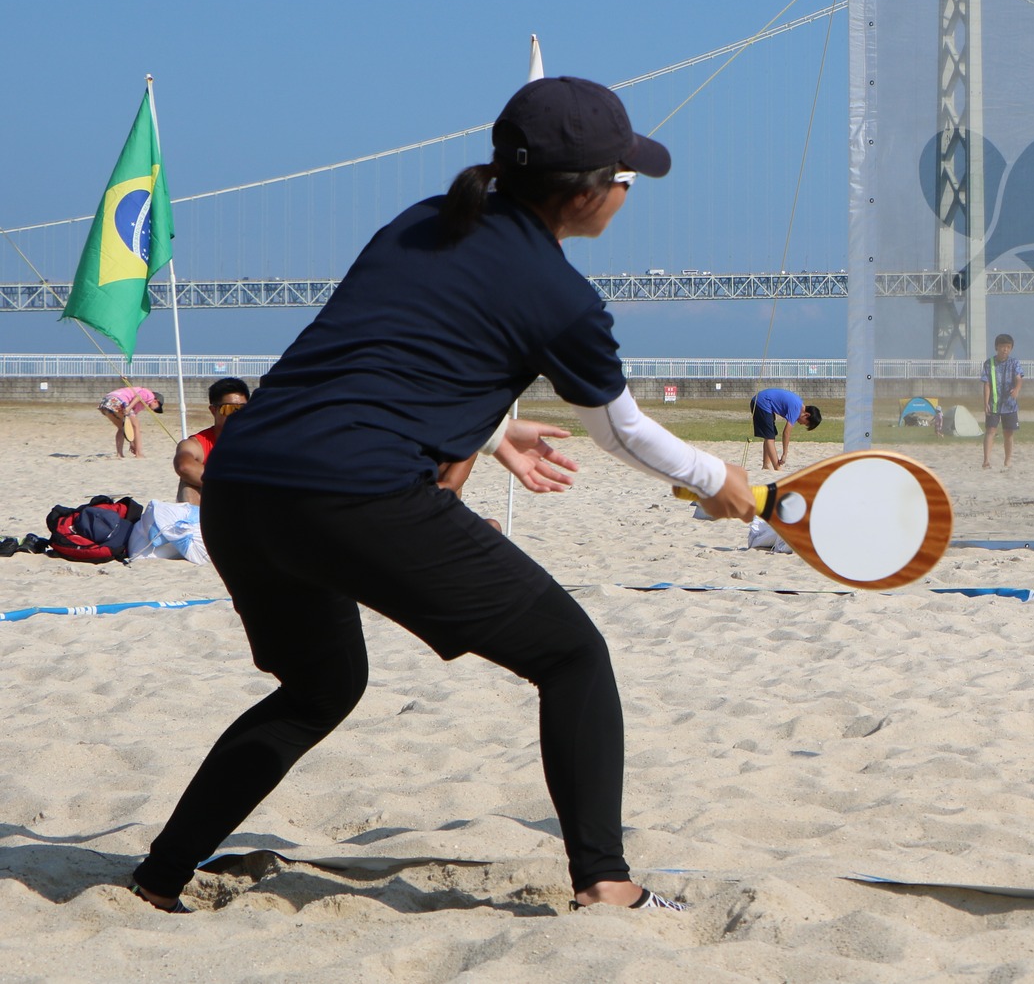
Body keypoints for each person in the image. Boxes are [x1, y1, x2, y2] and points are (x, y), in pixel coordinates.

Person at [129, 76, 757, 916]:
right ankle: (607, 883)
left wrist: (494, 432)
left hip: (240, 480)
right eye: (625, 179)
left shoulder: (425, 220)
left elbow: (393, 349)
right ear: (585, 193)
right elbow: (623, 432)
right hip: (354, 494)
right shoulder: (565, 297)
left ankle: (158, 877)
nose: (626, 194)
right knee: (572, 656)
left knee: (320, 687)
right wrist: (720, 482)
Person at [171, 378, 251, 505]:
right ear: (214, 411)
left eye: (242, 409)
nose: (236, 415)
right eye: (229, 409)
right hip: (215, 505)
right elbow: (184, 466)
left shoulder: (256, 439)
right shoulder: (199, 443)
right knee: (188, 483)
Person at [749, 388, 821, 472]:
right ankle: (777, 467)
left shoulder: (798, 405)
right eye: (806, 423)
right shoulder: (796, 409)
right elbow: (786, 433)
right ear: (806, 415)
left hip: (763, 402)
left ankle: (766, 465)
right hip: (761, 402)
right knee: (770, 437)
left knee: (770, 434)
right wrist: (784, 454)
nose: (802, 424)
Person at [982, 333, 1022, 470]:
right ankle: (986, 461)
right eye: (1002, 346)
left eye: (1008, 347)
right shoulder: (989, 363)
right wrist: (985, 402)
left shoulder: (1014, 362)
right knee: (990, 430)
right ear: (996, 347)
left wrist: (1016, 389)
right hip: (993, 403)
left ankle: (1008, 461)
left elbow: (1019, 378)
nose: (1005, 349)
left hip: (1009, 403)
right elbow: (986, 383)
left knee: (1008, 432)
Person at [99, 385, 163, 458]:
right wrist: (129, 407)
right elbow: (138, 396)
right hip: (116, 400)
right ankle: (138, 453)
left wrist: (131, 442)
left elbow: (129, 425)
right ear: (155, 401)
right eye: (157, 408)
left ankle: (119, 454)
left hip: (105, 402)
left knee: (122, 428)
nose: (154, 410)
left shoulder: (141, 405)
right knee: (136, 426)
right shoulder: (150, 395)